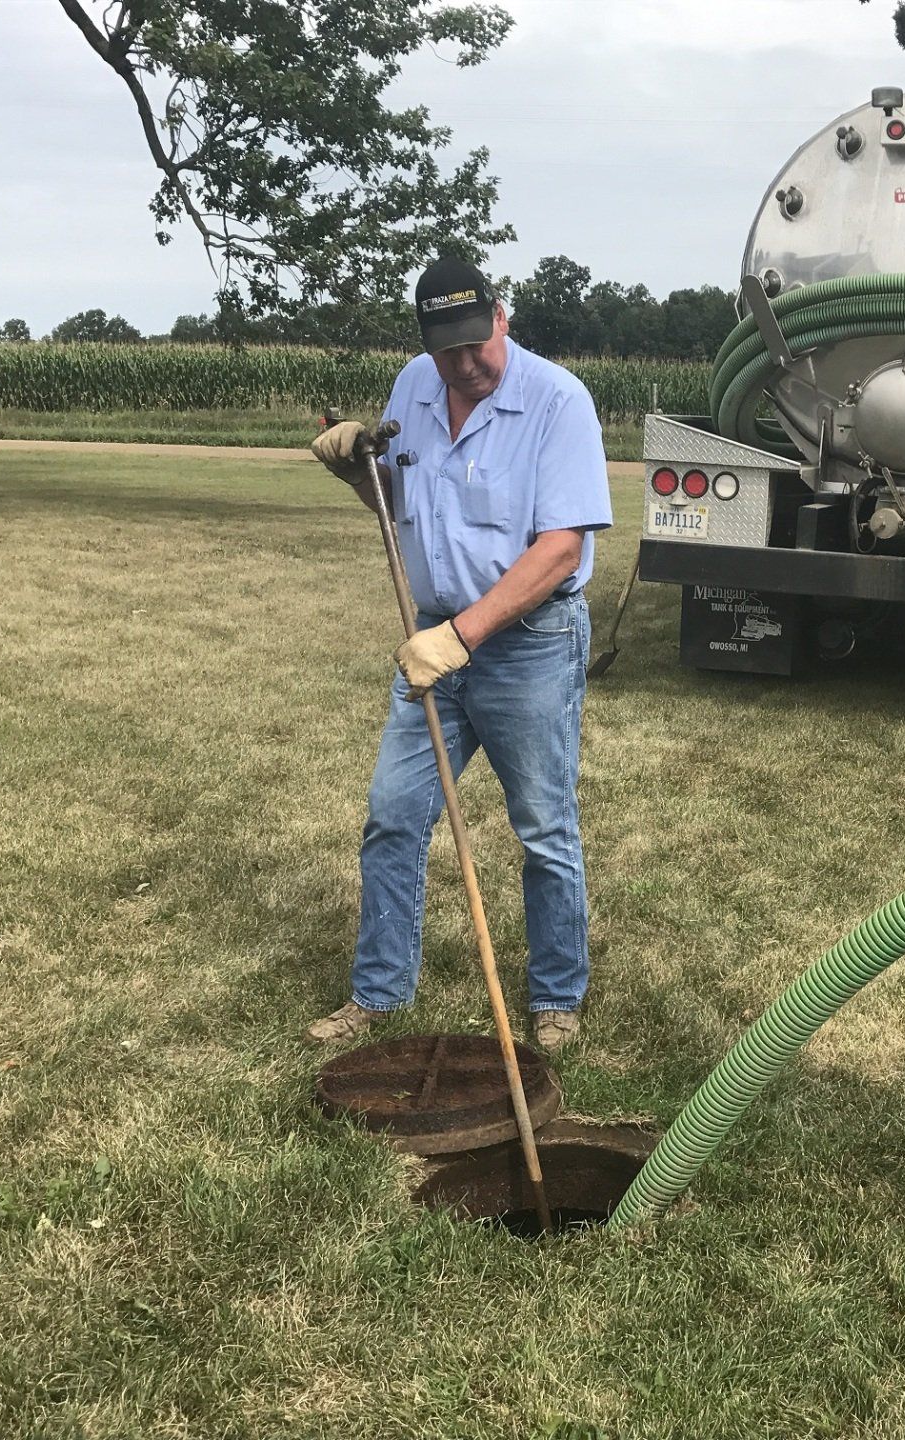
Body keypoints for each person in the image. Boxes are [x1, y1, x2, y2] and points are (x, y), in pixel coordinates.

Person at [306, 256, 613, 1051]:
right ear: (428, 346)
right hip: (432, 639)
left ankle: (554, 999)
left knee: (543, 826)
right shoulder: (412, 385)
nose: (467, 364)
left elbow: (560, 549)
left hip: (527, 645)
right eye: (450, 352)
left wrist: (462, 637)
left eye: (479, 342)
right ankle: (378, 995)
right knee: (393, 815)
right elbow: (394, 500)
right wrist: (353, 472)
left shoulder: (557, 402)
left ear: (501, 318)